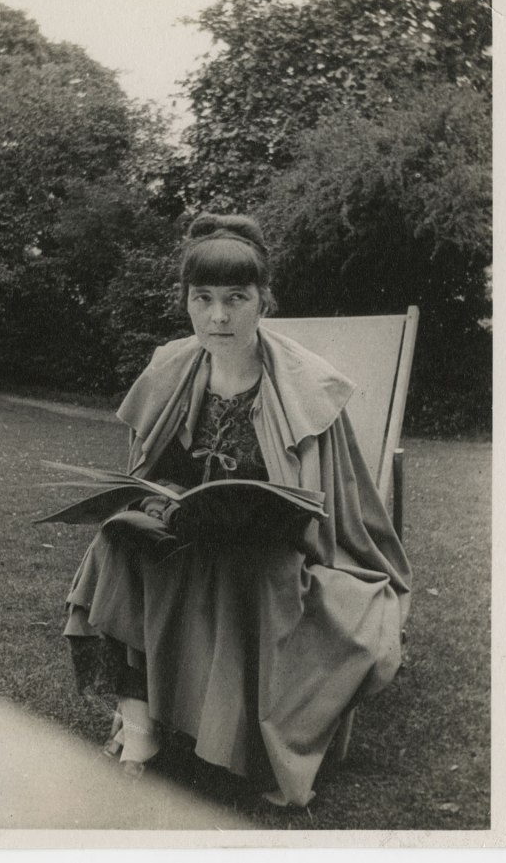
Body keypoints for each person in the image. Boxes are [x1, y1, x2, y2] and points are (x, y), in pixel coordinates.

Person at [63, 213, 411, 808]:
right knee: (118, 539)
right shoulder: (174, 369)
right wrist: (156, 502)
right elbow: (154, 469)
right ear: (187, 303)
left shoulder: (307, 388)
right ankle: (141, 722)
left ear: (262, 300)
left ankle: (226, 739)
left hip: (273, 549)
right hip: (189, 532)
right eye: (203, 299)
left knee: (246, 568)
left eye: (236, 298)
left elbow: (329, 509)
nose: (219, 316)